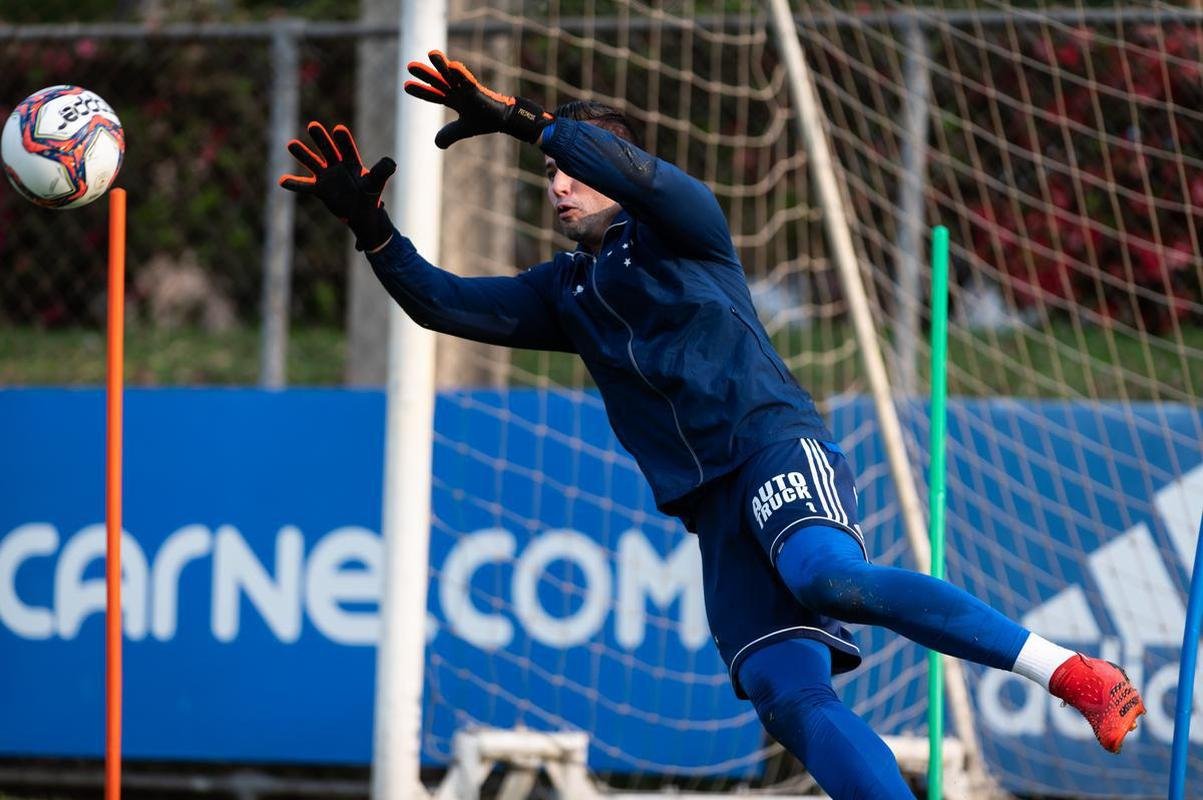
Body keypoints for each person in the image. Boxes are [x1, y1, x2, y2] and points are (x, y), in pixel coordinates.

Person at [280, 50, 1146, 799]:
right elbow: (444, 306)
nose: (558, 185)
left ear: (618, 165)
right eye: (550, 176)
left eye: (574, 168)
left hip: (772, 445)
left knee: (825, 579)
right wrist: (371, 226)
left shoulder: (683, 229)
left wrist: (521, 120)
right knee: (786, 697)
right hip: (710, 507)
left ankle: (1073, 673)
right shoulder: (567, 291)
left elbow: (645, 179)